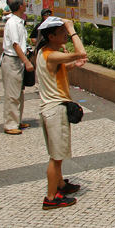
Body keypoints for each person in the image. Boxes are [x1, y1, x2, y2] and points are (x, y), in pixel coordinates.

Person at [35, 17, 87, 210]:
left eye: (66, 31)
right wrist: (73, 29)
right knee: (56, 157)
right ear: (51, 36)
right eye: (62, 32)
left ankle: (60, 185)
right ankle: (51, 198)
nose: (65, 34)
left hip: (50, 109)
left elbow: (57, 71)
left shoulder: (45, 53)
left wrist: (75, 65)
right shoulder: (51, 55)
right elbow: (81, 51)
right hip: (55, 109)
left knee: (57, 155)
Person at [1, 0, 34, 135]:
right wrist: (26, 61)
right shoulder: (13, 23)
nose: (27, 5)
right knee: (12, 94)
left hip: (18, 61)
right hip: (12, 61)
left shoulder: (19, 22)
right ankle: (10, 124)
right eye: (25, 3)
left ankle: (16, 120)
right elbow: (15, 45)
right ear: (20, 6)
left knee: (18, 93)